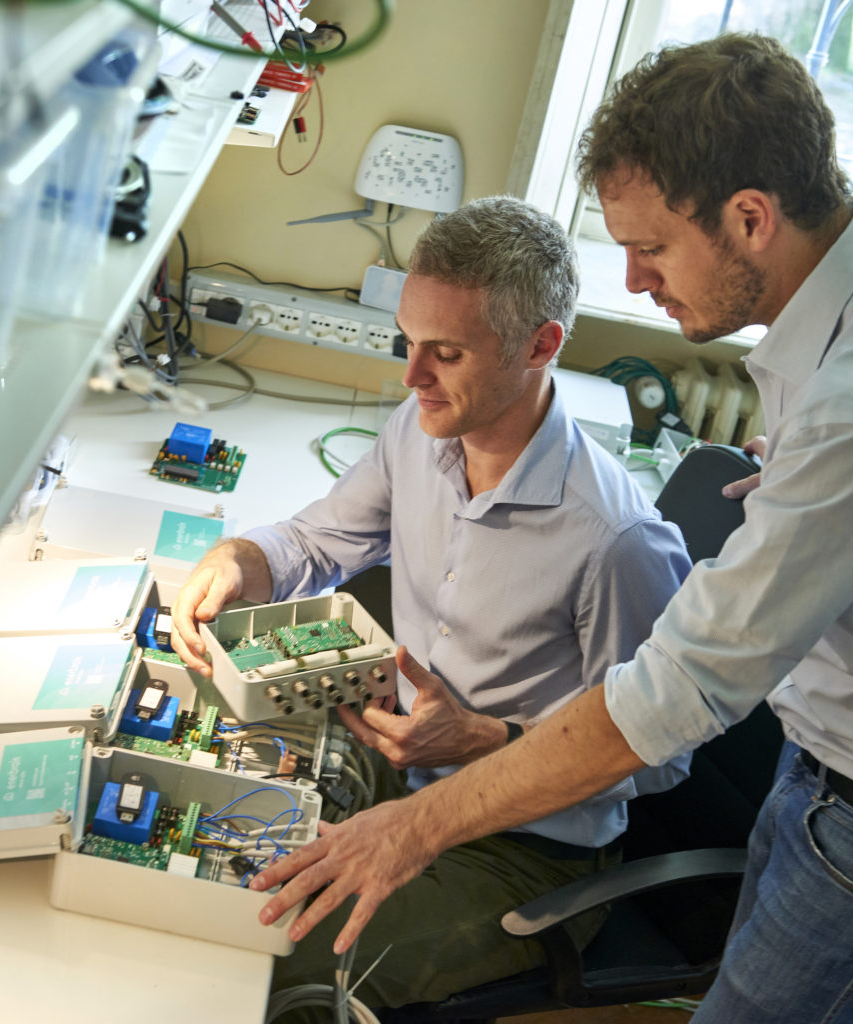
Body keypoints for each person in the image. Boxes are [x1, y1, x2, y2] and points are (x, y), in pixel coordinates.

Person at [248, 33, 853, 1024]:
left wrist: (416, 825)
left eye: (649, 248)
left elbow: (667, 701)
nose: (635, 280)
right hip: (821, 764)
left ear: (749, 217)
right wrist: (839, 494)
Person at [170, 195, 692, 1007]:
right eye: (408, 344)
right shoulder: (422, 432)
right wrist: (240, 560)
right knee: (187, 855)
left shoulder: (615, 541)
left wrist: (485, 738)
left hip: (518, 849)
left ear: (540, 345)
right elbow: (314, 546)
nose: (411, 378)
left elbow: (662, 757)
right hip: (394, 769)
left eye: (444, 353)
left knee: (252, 962)